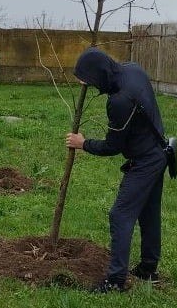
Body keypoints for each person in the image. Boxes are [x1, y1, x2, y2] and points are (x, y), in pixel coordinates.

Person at [65, 47, 167, 293]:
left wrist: (83, 143)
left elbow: (112, 146)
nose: (84, 84)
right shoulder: (133, 69)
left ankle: (115, 282)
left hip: (145, 161)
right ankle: (148, 269)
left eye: (87, 80)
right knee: (148, 212)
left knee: (120, 215)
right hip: (160, 150)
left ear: (99, 76)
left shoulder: (119, 101)